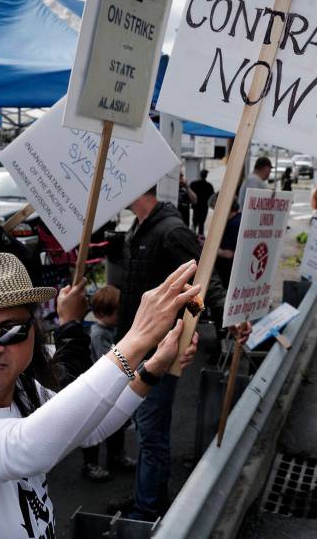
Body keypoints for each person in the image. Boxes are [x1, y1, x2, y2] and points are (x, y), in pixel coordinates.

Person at [0, 253, 200, 539]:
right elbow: (28, 448)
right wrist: (136, 340)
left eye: (10, 330)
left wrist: (152, 368)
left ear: (34, 330)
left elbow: (89, 431)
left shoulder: (22, 389)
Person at [119, 186, 247, 521]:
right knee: (144, 429)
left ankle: (148, 510)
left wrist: (223, 316)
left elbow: (201, 284)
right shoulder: (139, 228)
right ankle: (144, 500)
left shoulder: (172, 231)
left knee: (151, 432)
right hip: (134, 346)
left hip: (161, 350)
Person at [81, 285, 136, 482]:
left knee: (116, 424)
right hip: (98, 388)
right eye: (116, 313)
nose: (120, 317)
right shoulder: (98, 334)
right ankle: (91, 464)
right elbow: (108, 361)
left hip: (113, 387)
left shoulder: (112, 329)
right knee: (93, 427)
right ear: (103, 313)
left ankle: (116, 455)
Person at [215, 197, 242, 289]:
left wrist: (208, 248)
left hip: (227, 273)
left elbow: (228, 254)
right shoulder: (240, 218)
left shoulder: (232, 224)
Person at [189, 169, 215, 236]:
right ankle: (200, 237)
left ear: (200, 175)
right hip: (204, 207)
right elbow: (212, 197)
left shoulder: (193, 184)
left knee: (194, 222)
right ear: (206, 176)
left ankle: (192, 236)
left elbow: (189, 194)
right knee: (201, 223)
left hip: (196, 206)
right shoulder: (209, 186)